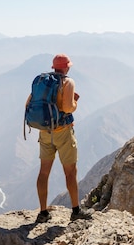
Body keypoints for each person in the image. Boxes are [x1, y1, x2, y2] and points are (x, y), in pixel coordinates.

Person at [27, 53, 92, 223]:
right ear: (66, 67)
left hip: (45, 132)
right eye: (68, 65)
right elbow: (68, 108)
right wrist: (76, 102)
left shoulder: (43, 82)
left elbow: (28, 103)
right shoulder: (67, 82)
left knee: (43, 172)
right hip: (62, 132)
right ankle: (76, 210)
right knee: (70, 172)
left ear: (54, 67)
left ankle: (43, 212)